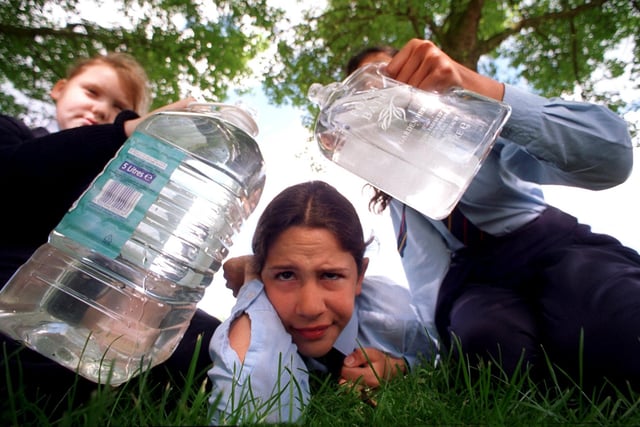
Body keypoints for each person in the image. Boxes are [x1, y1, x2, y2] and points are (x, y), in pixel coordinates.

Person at [345, 39, 640, 391]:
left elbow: (612, 157)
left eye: (389, 77)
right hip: (475, 277)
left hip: (550, 244)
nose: (382, 95)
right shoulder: (397, 190)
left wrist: (473, 87)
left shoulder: (473, 121)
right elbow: (427, 275)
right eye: (366, 93)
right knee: (488, 347)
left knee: (620, 323)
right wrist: (423, 357)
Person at [0, 52, 221, 410]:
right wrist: (123, 132)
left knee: (207, 341)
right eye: (91, 91)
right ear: (60, 89)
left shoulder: (134, 188)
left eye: (119, 107)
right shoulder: (15, 134)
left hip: (97, 304)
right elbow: (13, 177)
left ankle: (325, 366)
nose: (101, 109)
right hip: (15, 291)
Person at [207, 181, 436, 424]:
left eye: (330, 275)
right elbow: (251, 409)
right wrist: (251, 280)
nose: (309, 308)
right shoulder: (259, 302)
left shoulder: (399, 318)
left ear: (359, 276)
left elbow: (441, 359)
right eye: (285, 275)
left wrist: (401, 367)